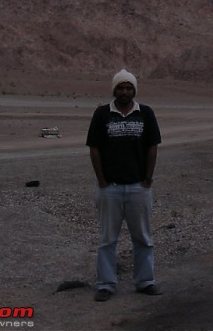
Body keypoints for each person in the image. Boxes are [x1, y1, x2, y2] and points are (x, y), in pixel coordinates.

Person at [86, 68, 162, 301]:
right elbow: (94, 148)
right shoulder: (102, 115)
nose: (125, 92)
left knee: (143, 237)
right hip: (111, 187)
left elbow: (152, 147)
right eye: (121, 87)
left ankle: (145, 281)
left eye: (129, 88)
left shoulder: (145, 113)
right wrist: (102, 181)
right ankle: (106, 284)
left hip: (138, 187)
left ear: (134, 90)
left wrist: (148, 179)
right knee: (107, 239)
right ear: (114, 90)